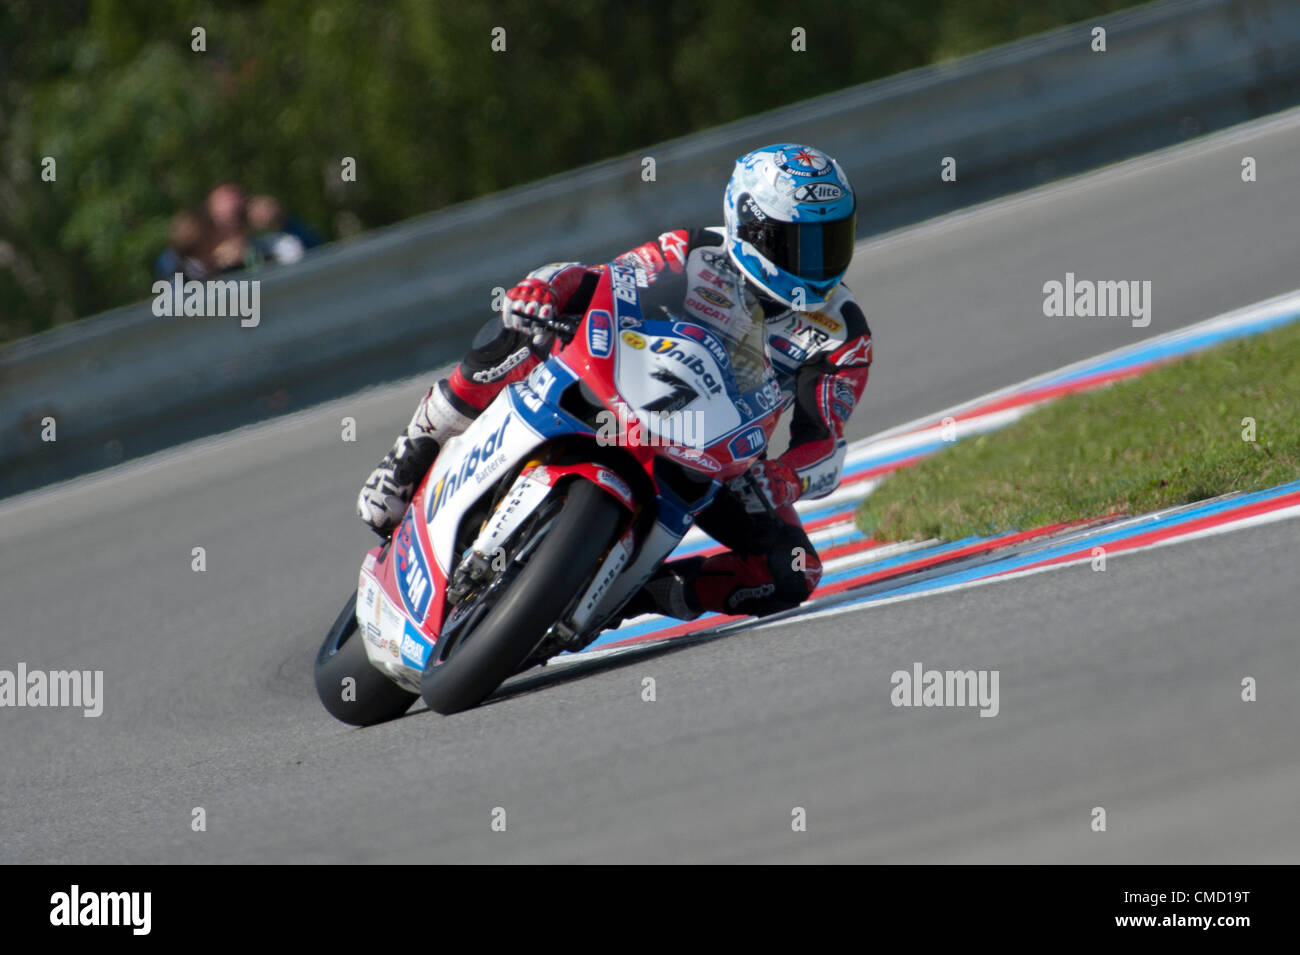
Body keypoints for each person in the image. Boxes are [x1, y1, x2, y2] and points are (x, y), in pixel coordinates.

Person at [358, 144, 873, 621]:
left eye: (832, 239)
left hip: (724, 448)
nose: (819, 260)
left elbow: (823, 438)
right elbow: (600, 280)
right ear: (749, 225)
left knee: (794, 570)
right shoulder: (694, 250)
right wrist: (546, 288)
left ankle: (636, 594)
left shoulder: (843, 331)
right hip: (626, 381)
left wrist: (788, 476)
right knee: (522, 326)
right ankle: (417, 444)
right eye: (800, 243)